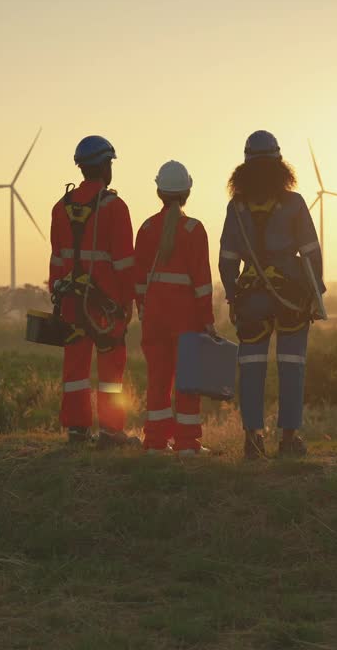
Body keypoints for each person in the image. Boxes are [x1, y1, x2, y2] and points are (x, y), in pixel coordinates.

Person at [218, 130, 324, 459]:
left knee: (251, 367)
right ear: (280, 164)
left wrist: (234, 298)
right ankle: (289, 439)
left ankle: (253, 439)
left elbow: (227, 261)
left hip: (251, 298)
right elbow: (311, 252)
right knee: (292, 365)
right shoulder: (293, 203)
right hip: (291, 294)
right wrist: (315, 292)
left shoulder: (236, 208)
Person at [48, 135, 138, 448]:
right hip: (106, 306)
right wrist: (128, 303)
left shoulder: (61, 207)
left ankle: (76, 430)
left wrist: (57, 298)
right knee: (111, 370)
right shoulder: (115, 207)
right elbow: (125, 263)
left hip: (71, 302)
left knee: (75, 369)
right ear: (103, 166)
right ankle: (111, 432)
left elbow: (57, 259)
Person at [133, 160, 216, 457]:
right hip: (186, 318)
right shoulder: (194, 230)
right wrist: (208, 320)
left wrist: (142, 309)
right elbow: (203, 284)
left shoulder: (145, 228)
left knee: (157, 380)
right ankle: (187, 444)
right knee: (187, 382)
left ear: (159, 191)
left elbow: (138, 279)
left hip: (153, 316)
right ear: (187, 192)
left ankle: (155, 442)